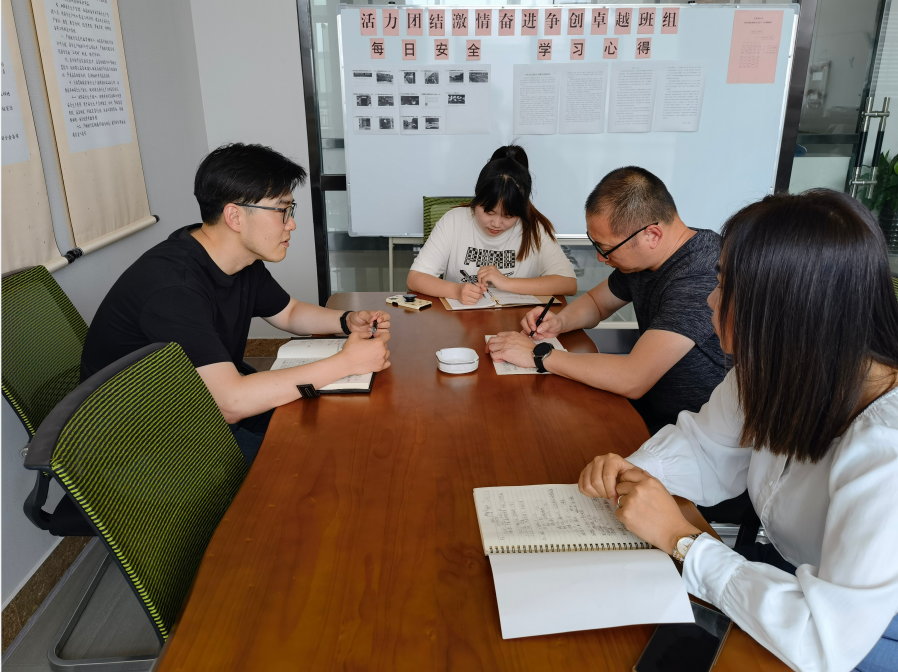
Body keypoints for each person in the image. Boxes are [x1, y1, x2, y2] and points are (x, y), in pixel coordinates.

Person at [579, 190, 898, 672]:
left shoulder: (885, 447)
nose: (710, 299)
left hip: (865, 628)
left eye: (725, 284)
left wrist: (683, 541)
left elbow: (824, 641)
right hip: (793, 574)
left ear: (788, 306)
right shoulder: (771, 372)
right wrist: (631, 474)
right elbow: (704, 449)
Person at [81, 143, 392, 463]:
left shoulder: (236, 258)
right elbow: (230, 403)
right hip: (146, 446)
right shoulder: (174, 288)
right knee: (328, 457)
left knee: (341, 428)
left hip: (198, 408)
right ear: (234, 216)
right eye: (282, 211)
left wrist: (346, 320)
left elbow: (289, 312)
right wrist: (347, 363)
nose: (291, 224)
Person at [486, 166, 726, 435]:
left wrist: (539, 354)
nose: (601, 258)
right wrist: (559, 322)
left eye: (607, 249)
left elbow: (633, 377)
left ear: (652, 235)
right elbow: (597, 303)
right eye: (596, 245)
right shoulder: (647, 257)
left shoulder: (702, 274)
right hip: (651, 409)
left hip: (694, 431)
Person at [406, 145, 577, 305]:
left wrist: (506, 282)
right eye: (489, 212)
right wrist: (456, 291)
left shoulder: (534, 229)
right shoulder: (454, 221)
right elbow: (415, 278)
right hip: (461, 320)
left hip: (518, 322)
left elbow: (568, 284)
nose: (496, 223)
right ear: (477, 197)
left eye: (508, 216)